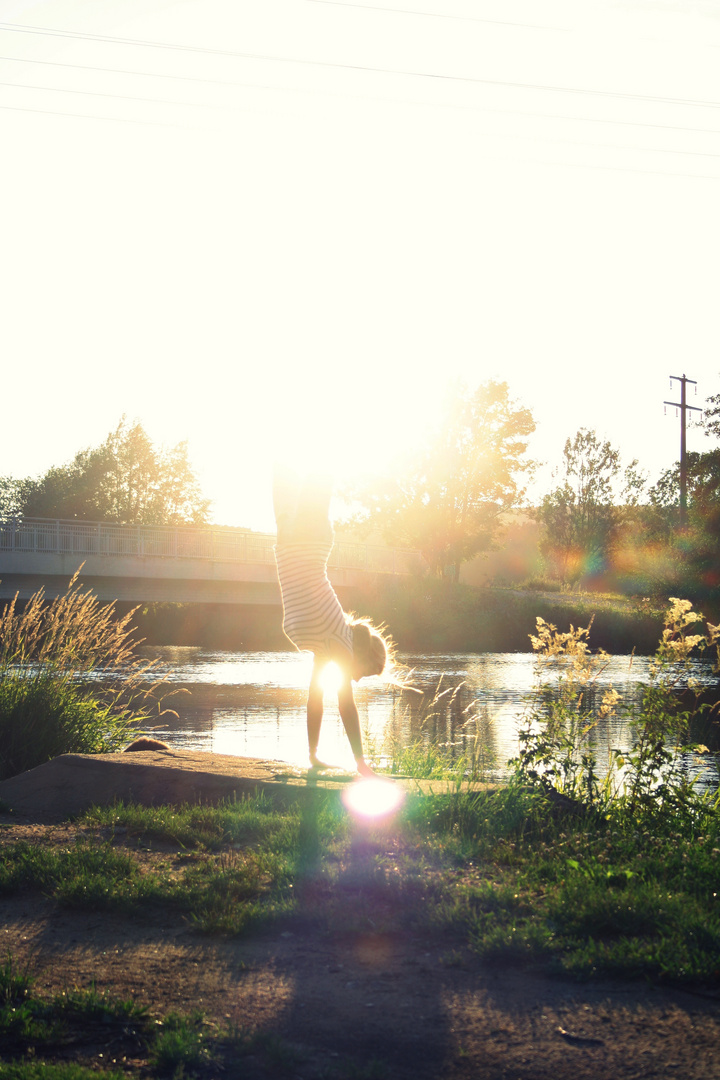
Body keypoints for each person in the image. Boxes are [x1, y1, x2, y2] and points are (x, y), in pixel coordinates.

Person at [273, 466, 389, 776]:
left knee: (282, 465)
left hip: (287, 543)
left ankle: (313, 755)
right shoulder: (341, 644)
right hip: (309, 543)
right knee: (320, 469)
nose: (358, 679)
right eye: (365, 673)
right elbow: (346, 706)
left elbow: (314, 698)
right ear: (362, 656)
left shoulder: (329, 647)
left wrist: (312, 756)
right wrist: (361, 764)